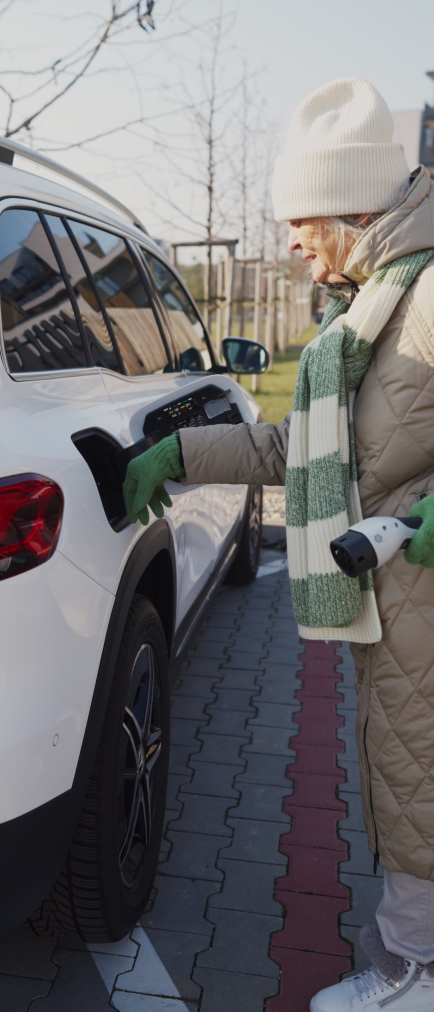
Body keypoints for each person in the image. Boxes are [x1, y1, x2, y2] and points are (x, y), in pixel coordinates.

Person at [123, 77, 434, 1011]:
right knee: (403, 766)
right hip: (396, 604)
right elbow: (305, 451)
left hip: (420, 590)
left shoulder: (424, 301)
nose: (291, 242)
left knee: (414, 772)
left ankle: (410, 974)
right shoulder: (372, 307)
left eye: (300, 220)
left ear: (349, 206)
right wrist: (181, 451)